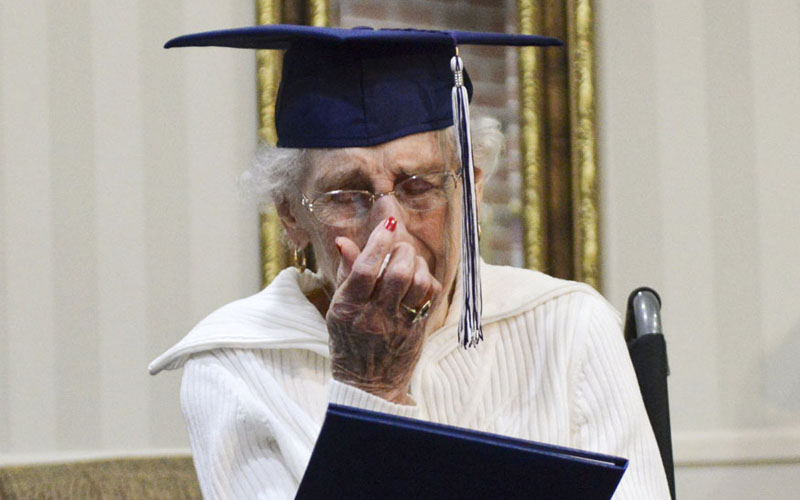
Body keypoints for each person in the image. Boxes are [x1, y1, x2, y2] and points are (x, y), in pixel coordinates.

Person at [150, 25, 670, 499]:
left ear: (472, 189)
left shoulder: (570, 325)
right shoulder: (234, 368)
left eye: (419, 186)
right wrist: (368, 387)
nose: (389, 226)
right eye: (346, 195)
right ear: (290, 215)